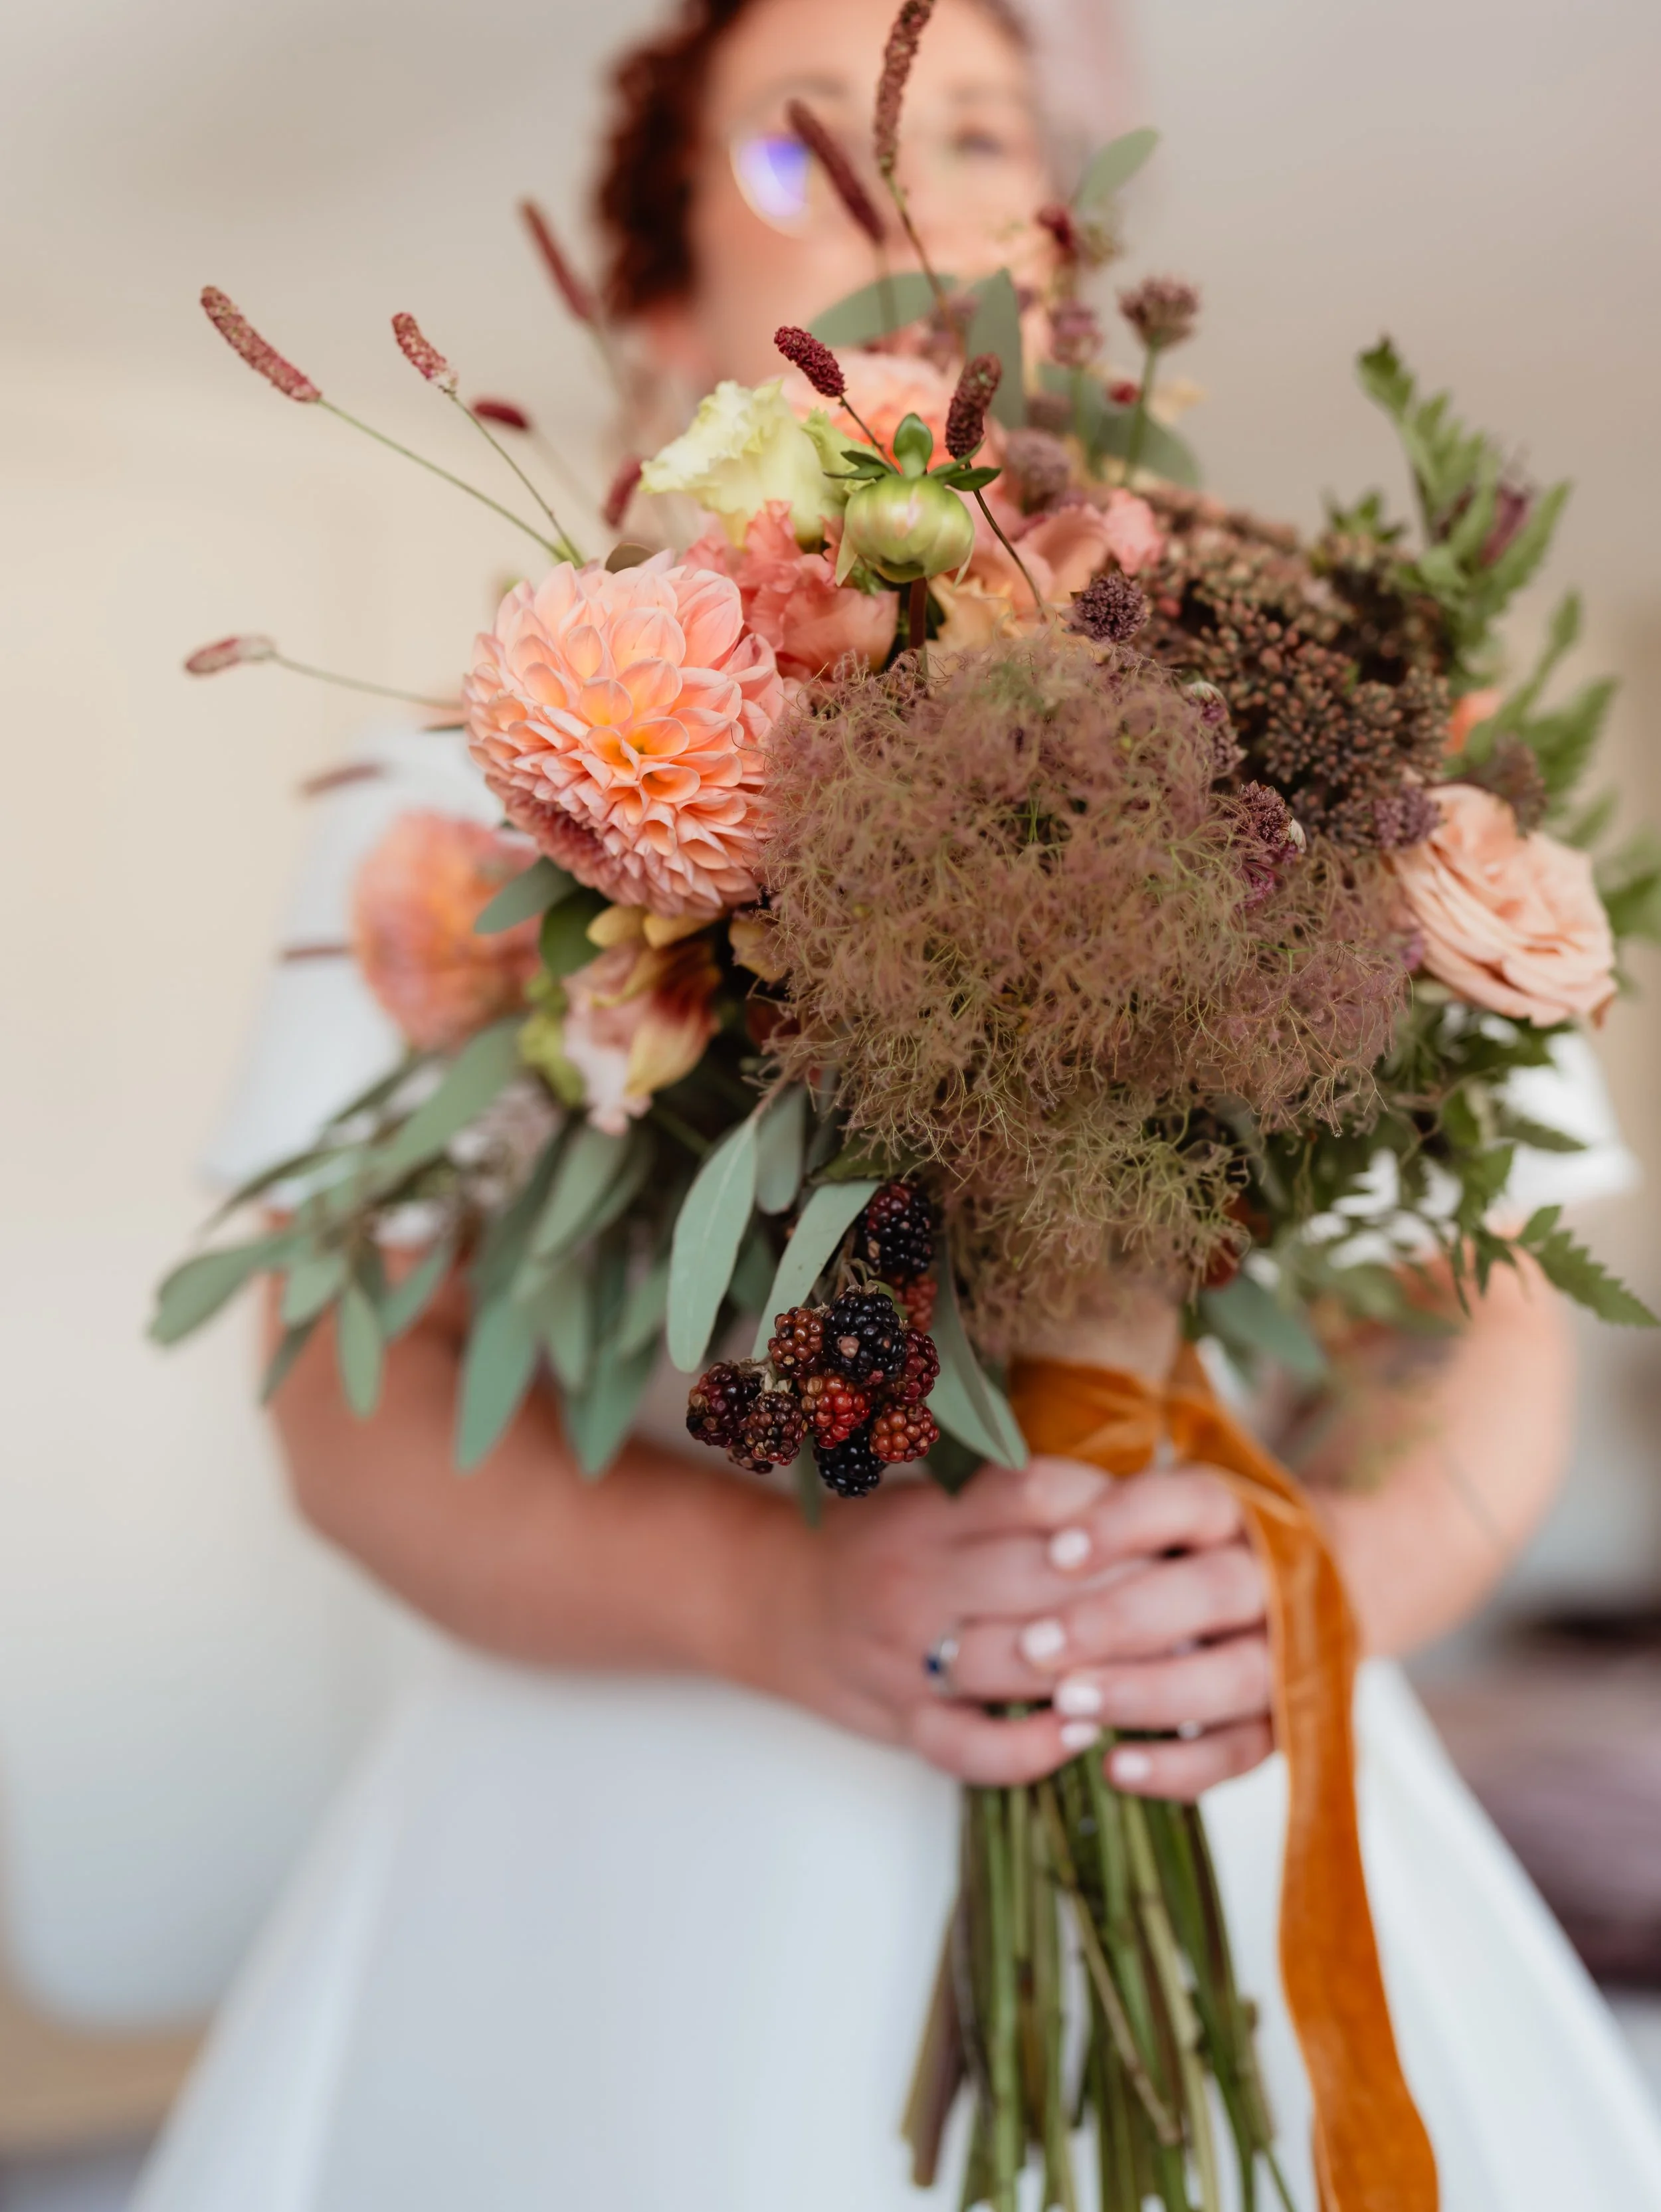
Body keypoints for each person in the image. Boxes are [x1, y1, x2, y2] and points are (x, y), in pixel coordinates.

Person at [133, 1, 1661, 2205]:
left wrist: (1331, 1575)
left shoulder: (1309, 716)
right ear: (655, 298)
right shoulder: (460, 792)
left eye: (973, 133)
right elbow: (333, 1397)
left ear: (1054, 246)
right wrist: (765, 1604)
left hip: (1200, 1748)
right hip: (626, 1866)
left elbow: (1485, 1288)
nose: (897, 188)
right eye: (792, 151)